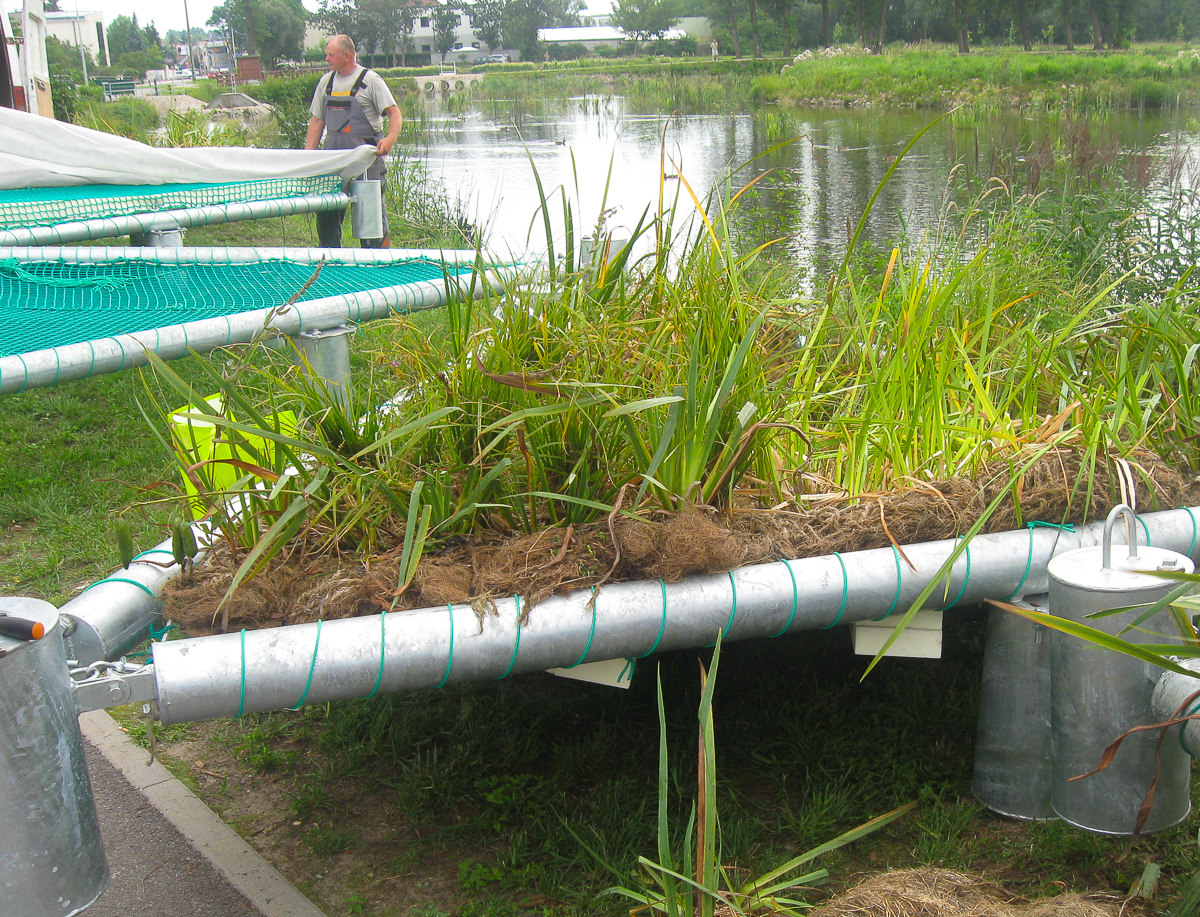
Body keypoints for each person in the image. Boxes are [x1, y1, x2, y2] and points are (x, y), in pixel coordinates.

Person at [305, 34, 402, 248]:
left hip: (366, 162)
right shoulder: (326, 82)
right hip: (333, 161)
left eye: (331, 55)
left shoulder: (371, 80)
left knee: (371, 223)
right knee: (327, 217)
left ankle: (377, 264)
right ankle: (330, 263)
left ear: (346, 55)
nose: (327, 59)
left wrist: (389, 140)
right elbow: (317, 122)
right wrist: (307, 158)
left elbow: (395, 114)